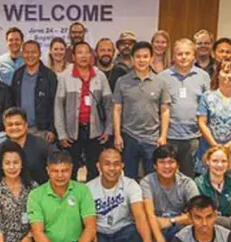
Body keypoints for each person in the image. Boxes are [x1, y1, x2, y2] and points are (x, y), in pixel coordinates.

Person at [140, 146, 201, 242]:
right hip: (154, 226)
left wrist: (171, 221)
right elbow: (149, 214)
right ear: (155, 165)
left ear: (178, 165)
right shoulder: (147, 182)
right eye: (162, 162)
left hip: (175, 227)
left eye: (171, 162)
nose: (167, 166)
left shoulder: (187, 183)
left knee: (180, 232)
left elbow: (198, 213)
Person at [113, 41, 172, 178]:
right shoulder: (122, 81)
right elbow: (117, 109)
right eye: (138, 57)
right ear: (133, 58)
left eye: (145, 56)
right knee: (129, 177)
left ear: (151, 58)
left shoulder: (161, 82)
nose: (142, 60)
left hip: (152, 138)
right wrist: (117, 135)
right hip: (129, 137)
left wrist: (163, 136)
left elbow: (165, 110)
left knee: (152, 178)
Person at [54, 42, 112, 180]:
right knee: (71, 168)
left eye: (87, 52)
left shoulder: (100, 76)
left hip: (95, 130)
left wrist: (108, 129)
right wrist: (61, 133)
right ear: (73, 57)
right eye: (79, 52)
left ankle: (92, 199)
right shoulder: (64, 76)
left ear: (92, 56)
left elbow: (109, 105)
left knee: (94, 168)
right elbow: (58, 107)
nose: (83, 56)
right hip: (72, 132)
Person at [162, 38, 211, 176]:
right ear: (173, 56)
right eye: (179, 54)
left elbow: (208, 105)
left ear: (193, 55)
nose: (183, 57)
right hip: (170, 136)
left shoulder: (203, 76)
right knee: (168, 175)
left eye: (187, 53)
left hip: (194, 136)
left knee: (189, 176)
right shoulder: (163, 77)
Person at [197, 59, 231, 178]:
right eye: (226, 71)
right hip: (209, 149)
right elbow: (202, 123)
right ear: (218, 74)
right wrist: (215, 146)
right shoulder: (207, 96)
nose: (229, 75)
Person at [195, 145, 231, 239]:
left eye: (224, 161)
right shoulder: (198, 183)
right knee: (223, 222)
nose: (220, 165)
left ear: (229, 163)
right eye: (215, 161)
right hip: (208, 224)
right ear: (207, 161)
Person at [11, 40, 58, 145]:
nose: (30, 55)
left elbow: (55, 104)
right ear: (22, 54)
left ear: (40, 54)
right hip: (20, 129)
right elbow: (13, 101)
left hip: (42, 130)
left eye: (34, 52)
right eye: (27, 52)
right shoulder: (17, 74)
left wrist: (52, 129)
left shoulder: (49, 75)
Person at [0, 107, 50, 184]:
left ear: (26, 125)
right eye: (10, 125)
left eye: (18, 124)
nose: (14, 127)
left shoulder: (42, 146)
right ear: (5, 128)